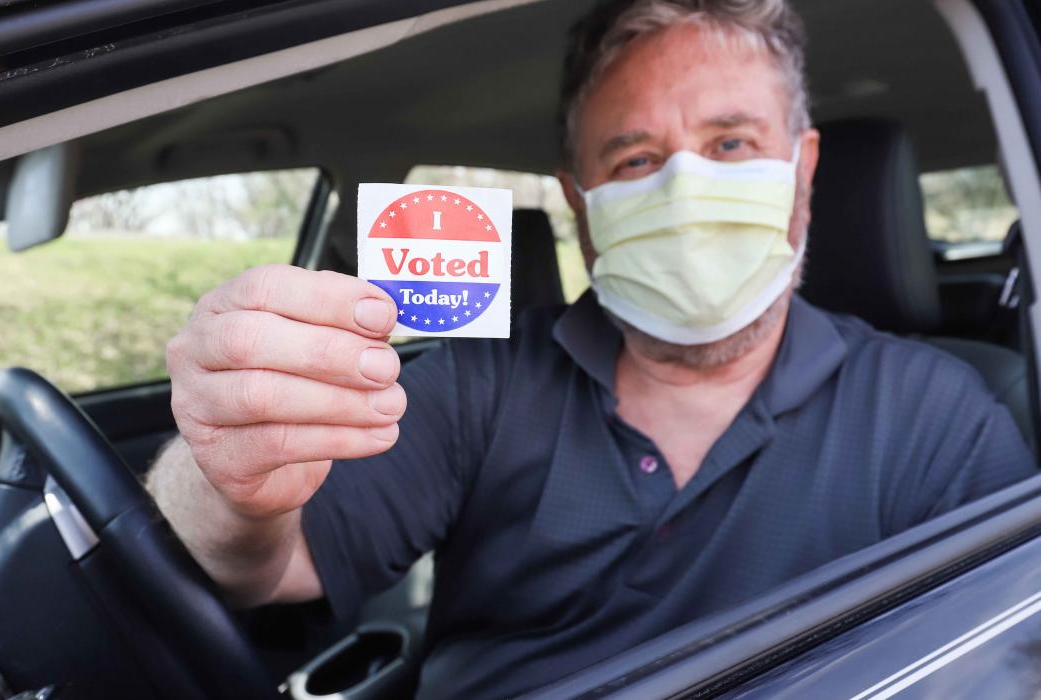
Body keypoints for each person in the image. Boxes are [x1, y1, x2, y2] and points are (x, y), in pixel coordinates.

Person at [146, 0, 1036, 696]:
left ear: (801, 171)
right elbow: (264, 565)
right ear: (580, 206)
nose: (689, 189)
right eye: (636, 161)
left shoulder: (934, 413)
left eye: (731, 144)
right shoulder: (480, 381)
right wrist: (222, 473)